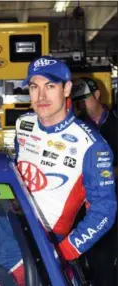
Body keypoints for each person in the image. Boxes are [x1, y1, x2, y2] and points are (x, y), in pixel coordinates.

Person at [14, 56, 117, 268]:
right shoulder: (23, 124)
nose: (41, 95)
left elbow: (104, 210)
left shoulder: (91, 144)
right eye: (34, 87)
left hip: (45, 239)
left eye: (50, 86)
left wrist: (62, 252)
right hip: (11, 224)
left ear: (67, 88)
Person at [71, 77, 118, 286]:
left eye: (85, 99)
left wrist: (105, 171)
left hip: (113, 203)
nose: (81, 105)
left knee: (107, 261)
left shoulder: (116, 120)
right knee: (90, 260)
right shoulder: (76, 127)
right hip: (85, 206)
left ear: (97, 95)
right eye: (77, 101)